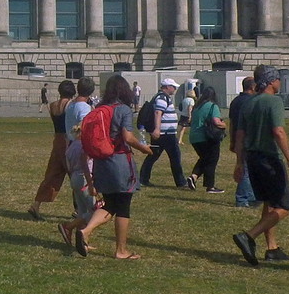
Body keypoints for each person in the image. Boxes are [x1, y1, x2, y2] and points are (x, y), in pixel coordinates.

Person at [71, 75, 154, 259]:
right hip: (119, 162)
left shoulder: (100, 109)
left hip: (101, 162)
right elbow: (127, 137)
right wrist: (144, 149)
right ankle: (121, 250)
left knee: (110, 203)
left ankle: (87, 230)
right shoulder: (123, 109)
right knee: (123, 206)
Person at [232, 66, 289, 267]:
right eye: (278, 79)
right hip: (270, 159)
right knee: (283, 206)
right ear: (271, 82)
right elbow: (278, 131)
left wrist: (238, 162)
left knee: (269, 203)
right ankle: (249, 236)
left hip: (252, 159)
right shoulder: (274, 102)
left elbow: (240, 135)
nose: (280, 83)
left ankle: (272, 248)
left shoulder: (248, 103)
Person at [57, 76, 99, 245]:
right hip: (82, 150)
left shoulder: (71, 105)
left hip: (71, 150)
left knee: (83, 209)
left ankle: (83, 240)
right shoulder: (85, 108)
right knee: (96, 208)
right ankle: (68, 226)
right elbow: (85, 128)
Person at [27, 80, 77, 219]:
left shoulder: (53, 105)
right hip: (67, 141)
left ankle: (36, 205)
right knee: (76, 174)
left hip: (57, 141)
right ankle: (79, 208)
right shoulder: (71, 105)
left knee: (52, 174)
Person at [139, 77, 190, 189]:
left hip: (163, 133)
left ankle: (143, 178)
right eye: (173, 87)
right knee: (175, 156)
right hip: (165, 133)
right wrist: (157, 129)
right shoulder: (162, 98)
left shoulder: (160, 97)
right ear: (167, 87)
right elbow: (158, 113)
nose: (175, 89)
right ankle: (180, 182)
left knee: (153, 155)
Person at [188, 86, 227, 193]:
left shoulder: (197, 106)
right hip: (207, 137)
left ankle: (193, 177)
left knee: (204, 159)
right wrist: (224, 125)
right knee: (211, 161)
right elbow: (216, 122)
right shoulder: (212, 106)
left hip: (194, 137)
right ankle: (210, 186)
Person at [228, 76, 258, 207]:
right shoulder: (252, 101)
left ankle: (251, 196)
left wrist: (232, 141)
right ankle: (242, 198)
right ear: (252, 87)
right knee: (246, 169)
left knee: (245, 167)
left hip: (237, 138)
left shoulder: (235, 101)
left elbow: (232, 124)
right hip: (249, 139)